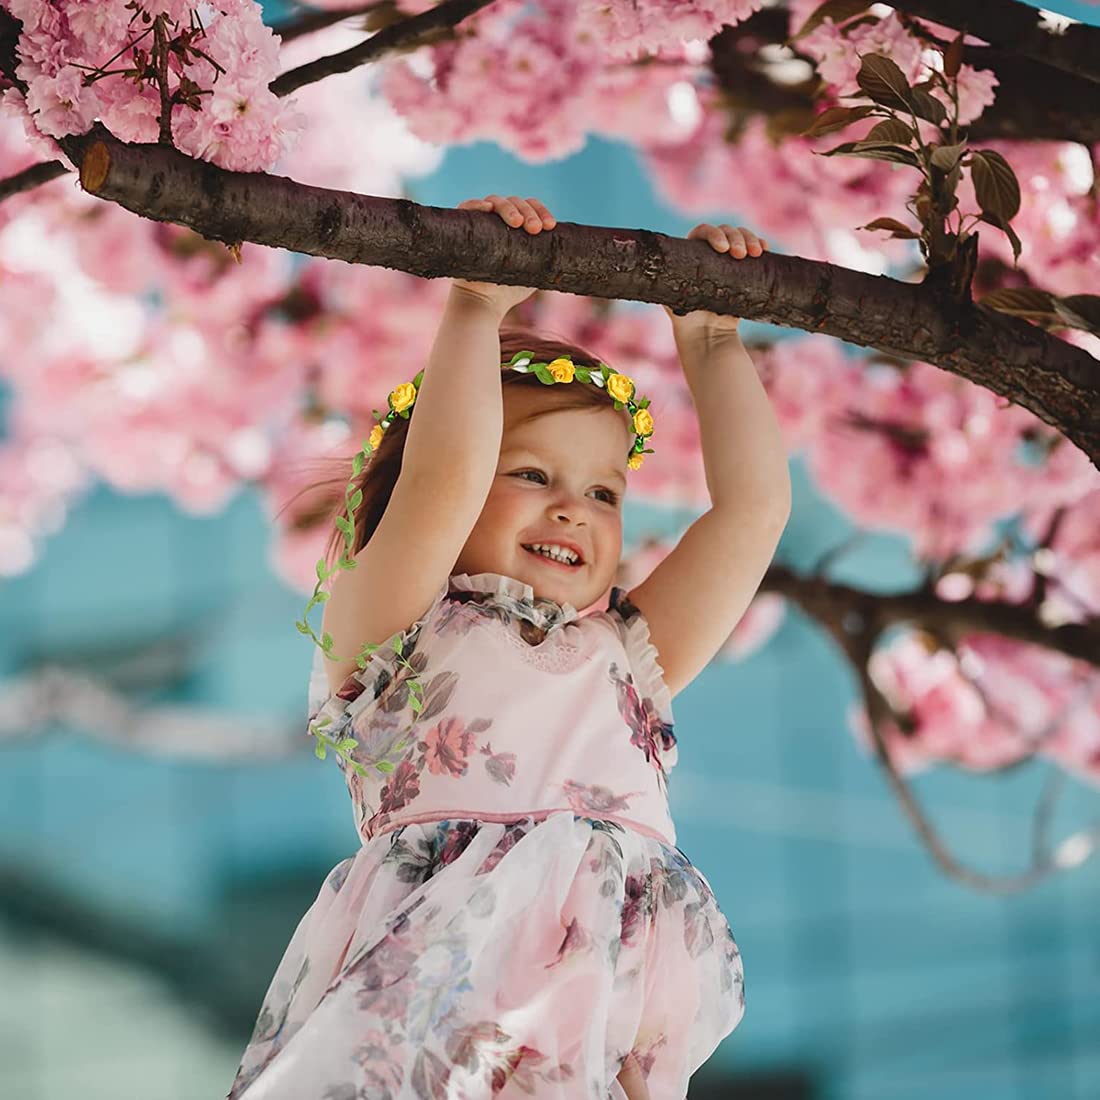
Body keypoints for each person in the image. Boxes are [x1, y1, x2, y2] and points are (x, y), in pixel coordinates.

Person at [228, 194, 789, 1100]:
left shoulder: (630, 650)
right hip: (444, 1007)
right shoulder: (393, 630)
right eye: (532, 475)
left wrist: (714, 343)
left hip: (593, 1016)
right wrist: (475, 309)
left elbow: (754, 513)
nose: (574, 507)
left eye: (605, 493)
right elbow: (444, 482)